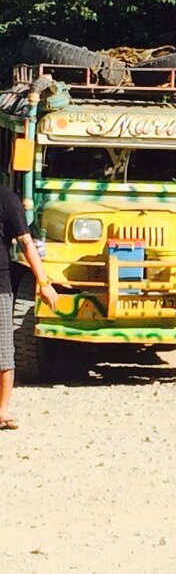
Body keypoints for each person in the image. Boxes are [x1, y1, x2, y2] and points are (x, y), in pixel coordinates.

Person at [0, 184, 57, 430]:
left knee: (3, 351)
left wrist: (43, 282)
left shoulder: (6, 199)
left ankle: (2, 411)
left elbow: (26, 242)